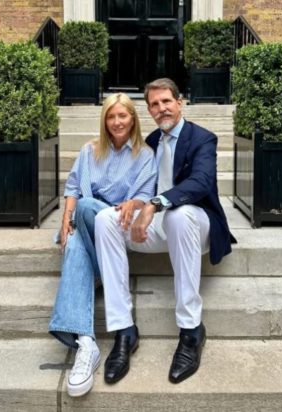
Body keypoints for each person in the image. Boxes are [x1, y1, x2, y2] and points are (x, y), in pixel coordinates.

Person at [95, 78, 234, 385]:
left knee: (179, 215)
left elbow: (200, 183)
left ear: (179, 103)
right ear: (149, 111)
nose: (162, 109)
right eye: (154, 104)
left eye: (166, 101)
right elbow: (139, 184)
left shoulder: (202, 138)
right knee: (105, 219)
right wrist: (135, 204)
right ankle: (124, 330)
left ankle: (191, 330)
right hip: (157, 228)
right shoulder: (151, 142)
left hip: (196, 226)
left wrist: (155, 204)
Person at [48, 93, 157, 397]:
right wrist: (65, 219)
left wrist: (132, 203)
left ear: (133, 119)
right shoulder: (89, 150)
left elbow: (144, 197)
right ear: (104, 120)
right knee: (74, 238)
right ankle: (87, 343)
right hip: (84, 222)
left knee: (87, 210)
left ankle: (83, 340)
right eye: (111, 116)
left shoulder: (145, 155)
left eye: (123, 115)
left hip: (114, 226)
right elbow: (73, 187)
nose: (117, 122)